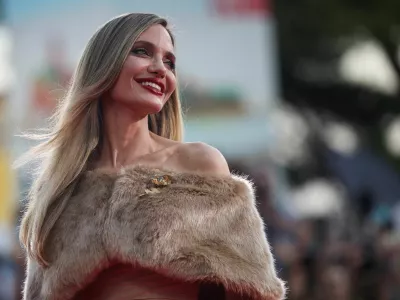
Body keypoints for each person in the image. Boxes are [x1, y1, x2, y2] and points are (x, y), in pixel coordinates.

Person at [17, 13, 286, 300]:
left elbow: (252, 290)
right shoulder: (59, 189)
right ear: (104, 62)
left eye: (169, 62)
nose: (161, 69)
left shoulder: (199, 165)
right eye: (142, 51)